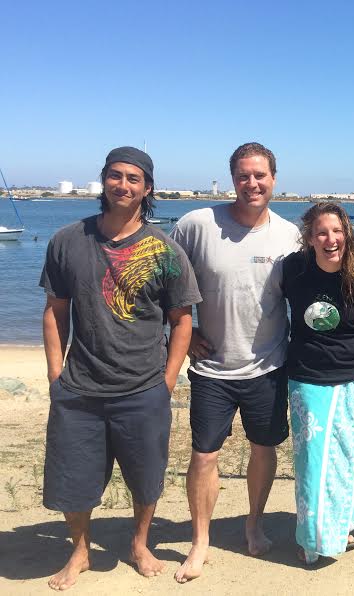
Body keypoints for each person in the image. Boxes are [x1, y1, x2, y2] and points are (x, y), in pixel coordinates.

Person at [40, 146, 200, 590]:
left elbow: (182, 322)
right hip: (79, 388)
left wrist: (166, 383)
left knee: (146, 477)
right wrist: (56, 374)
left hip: (143, 389)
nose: (123, 185)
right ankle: (80, 551)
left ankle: (139, 543)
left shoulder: (165, 250)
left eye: (134, 178)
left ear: (147, 188)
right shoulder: (68, 240)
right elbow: (55, 312)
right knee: (75, 478)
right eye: (115, 176)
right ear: (104, 180)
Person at [170, 142, 301, 583]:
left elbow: (309, 293)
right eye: (244, 176)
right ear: (233, 180)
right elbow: (167, 284)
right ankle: (200, 540)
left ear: (274, 179)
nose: (252, 184)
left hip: (268, 366)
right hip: (212, 369)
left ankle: (253, 523)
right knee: (204, 455)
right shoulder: (196, 225)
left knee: (264, 450)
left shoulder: (289, 234)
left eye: (260, 175)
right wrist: (183, 335)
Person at [281, 202, 354, 564]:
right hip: (307, 377)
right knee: (314, 461)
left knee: (348, 457)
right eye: (322, 232)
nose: (330, 239)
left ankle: (341, 526)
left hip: (352, 376)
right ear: (309, 237)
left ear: (347, 234)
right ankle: (314, 537)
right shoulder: (293, 269)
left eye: (337, 231)